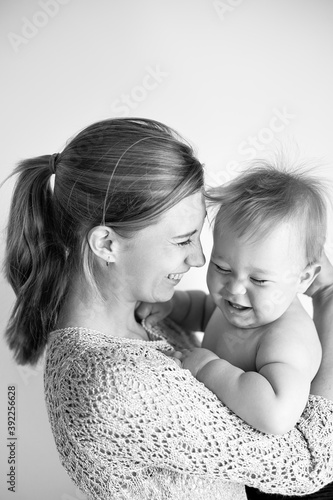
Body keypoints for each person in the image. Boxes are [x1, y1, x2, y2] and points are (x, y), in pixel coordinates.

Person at [3, 118, 333, 500]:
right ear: (107, 244)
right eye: (182, 241)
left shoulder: (141, 317)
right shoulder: (117, 383)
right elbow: (310, 462)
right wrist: (327, 297)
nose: (199, 258)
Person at [138, 164, 326, 436]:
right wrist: (174, 306)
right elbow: (206, 311)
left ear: (304, 279)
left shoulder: (286, 341)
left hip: (264, 472)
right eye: (222, 268)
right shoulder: (244, 307)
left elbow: (276, 414)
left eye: (259, 280)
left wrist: (209, 367)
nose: (235, 289)